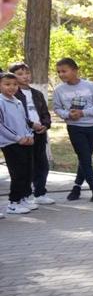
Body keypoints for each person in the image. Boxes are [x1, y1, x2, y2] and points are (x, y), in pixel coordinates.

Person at [52, 58, 93, 202]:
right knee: (85, 159)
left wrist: (83, 113)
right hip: (75, 128)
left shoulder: (90, 86)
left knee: (84, 159)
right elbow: (57, 108)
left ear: (75, 70)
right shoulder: (59, 90)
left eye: (64, 71)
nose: (61, 74)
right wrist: (67, 114)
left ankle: (76, 187)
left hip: (92, 127)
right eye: (58, 72)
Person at [9, 63, 53, 206]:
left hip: (39, 134)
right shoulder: (12, 95)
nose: (25, 77)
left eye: (27, 73)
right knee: (27, 166)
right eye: (20, 74)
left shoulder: (37, 94)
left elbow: (45, 113)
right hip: (24, 135)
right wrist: (31, 124)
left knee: (42, 164)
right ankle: (25, 195)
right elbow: (16, 116)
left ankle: (40, 193)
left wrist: (45, 125)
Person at [0, 72, 35, 216]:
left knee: (28, 171)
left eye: (14, 84)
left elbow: (25, 121)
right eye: (7, 84)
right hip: (10, 143)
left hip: (25, 141)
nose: (12, 87)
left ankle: (23, 198)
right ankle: (13, 203)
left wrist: (29, 135)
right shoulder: (1, 102)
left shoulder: (18, 101)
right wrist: (17, 138)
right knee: (18, 173)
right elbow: (1, 125)